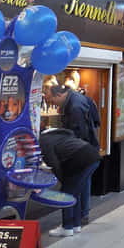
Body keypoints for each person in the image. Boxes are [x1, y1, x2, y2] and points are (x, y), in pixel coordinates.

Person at [45, 84, 100, 226]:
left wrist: (64, 177)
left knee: (76, 186)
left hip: (82, 152)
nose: (51, 104)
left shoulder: (75, 106)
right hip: (86, 151)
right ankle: (80, 217)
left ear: (59, 95)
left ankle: (76, 219)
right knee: (81, 183)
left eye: (51, 100)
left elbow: (79, 133)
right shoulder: (75, 100)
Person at [40, 128, 100, 237]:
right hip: (92, 156)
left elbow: (53, 163)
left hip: (80, 160)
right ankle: (75, 225)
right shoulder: (60, 134)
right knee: (75, 193)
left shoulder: (44, 141)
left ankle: (67, 227)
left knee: (67, 193)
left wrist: (63, 181)